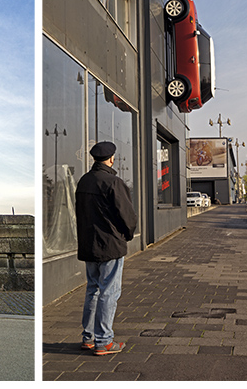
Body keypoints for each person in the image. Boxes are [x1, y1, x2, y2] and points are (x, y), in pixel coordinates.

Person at [74, 141, 137, 356]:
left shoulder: (83, 182)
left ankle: (88, 337)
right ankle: (104, 341)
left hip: (89, 244)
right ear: (111, 159)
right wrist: (127, 235)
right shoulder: (114, 182)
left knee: (92, 289)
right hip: (110, 244)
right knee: (109, 291)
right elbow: (127, 216)